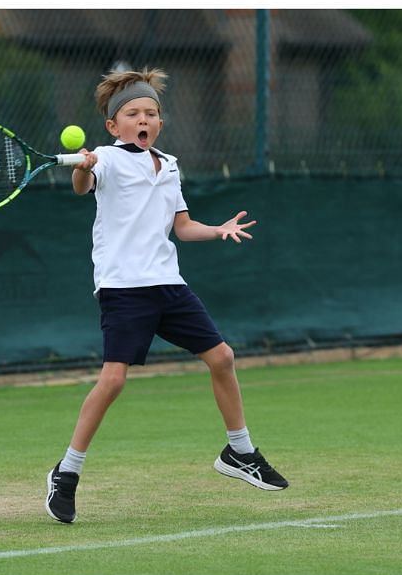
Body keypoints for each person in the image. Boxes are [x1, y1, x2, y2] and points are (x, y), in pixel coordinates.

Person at [45, 68, 288, 524]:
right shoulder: (106, 159)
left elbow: (181, 226)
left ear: (159, 123)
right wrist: (83, 168)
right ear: (114, 126)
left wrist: (218, 230)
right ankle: (67, 472)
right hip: (123, 287)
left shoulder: (169, 164)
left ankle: (240, 452)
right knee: (113, 381)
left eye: (151, 113)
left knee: (222, 358)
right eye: (133, 113)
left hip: (168, 285)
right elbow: (83, 187)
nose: (144, 119)